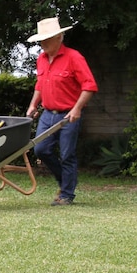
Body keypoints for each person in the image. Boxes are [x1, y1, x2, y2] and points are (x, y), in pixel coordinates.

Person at [25, 17, 98, 206]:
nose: (42, 44)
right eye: (41, 40)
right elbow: (40, 85)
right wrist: (33, 105)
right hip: (48, 114)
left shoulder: (74, 58)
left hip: (68, 115)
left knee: (67, 155)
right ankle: (64, 182)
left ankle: (67, 194)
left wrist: (77, 109)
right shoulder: (41, 59)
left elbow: (89, 86)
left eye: (46, 39)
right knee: (40, 150)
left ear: (59, 37)